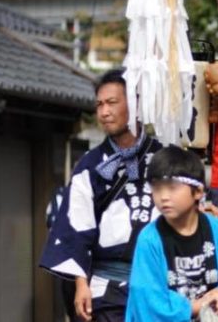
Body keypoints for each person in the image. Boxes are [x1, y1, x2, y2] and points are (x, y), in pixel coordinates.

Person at [40, 69, 164, 321]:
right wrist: (81, 284)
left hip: (159, 286)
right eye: (99, 105)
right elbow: (76, 227)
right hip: (105, 288)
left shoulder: (164, 158)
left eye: (112, 103)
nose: (104, 112)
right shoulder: (90, 164)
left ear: (135, 104)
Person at [126, 145, 218, 321]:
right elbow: (146, 296)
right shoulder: (149, 239)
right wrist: (196, 307)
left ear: (198, 191)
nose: (163, 196)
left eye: (172, 187)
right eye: (157, 188)